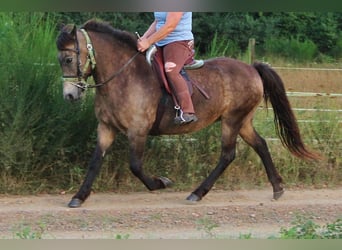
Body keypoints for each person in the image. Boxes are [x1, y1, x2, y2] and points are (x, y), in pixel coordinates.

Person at [137, 12, 198, 125]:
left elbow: (170, 25)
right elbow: (157, 22)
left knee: (171, 70)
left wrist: (148, 42)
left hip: (179, 41)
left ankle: (188, 111)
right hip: (161, 43)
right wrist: (143, 38)